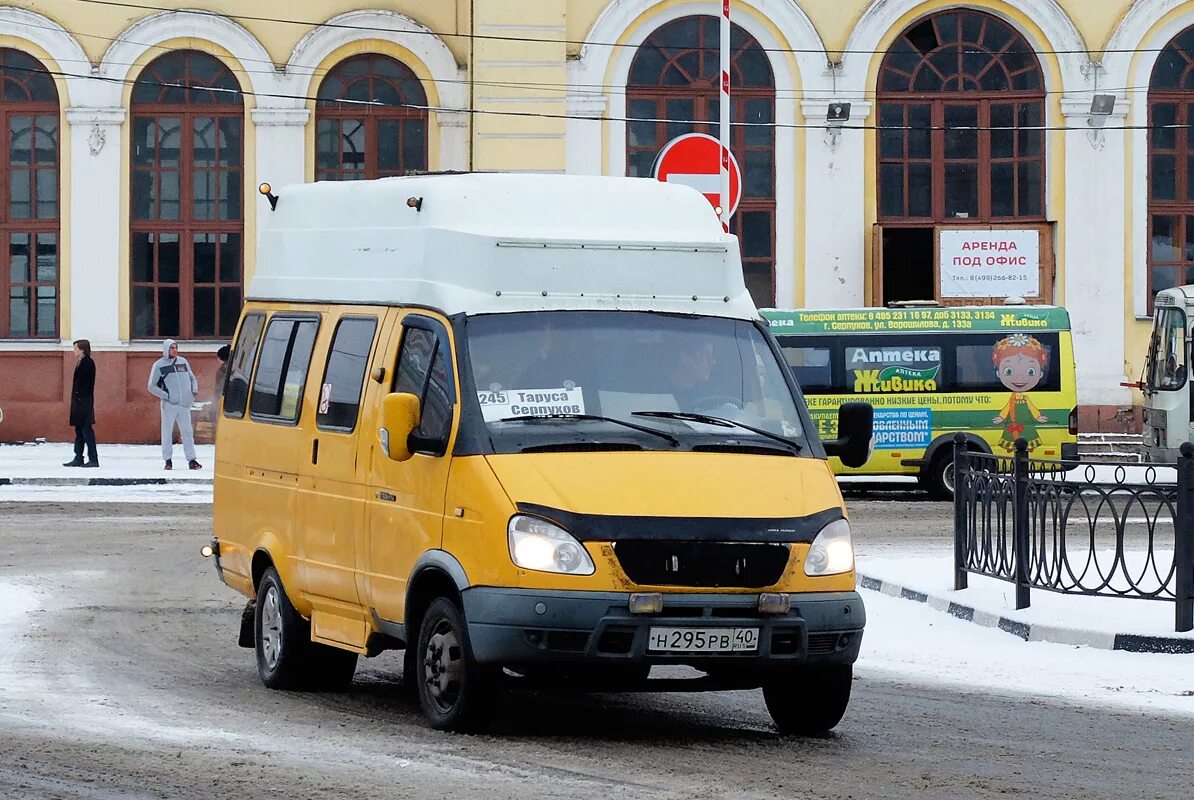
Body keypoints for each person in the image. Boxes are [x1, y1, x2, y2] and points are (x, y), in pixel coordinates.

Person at [148, 338, 201, 470]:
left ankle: (192, 459)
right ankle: (168, 460)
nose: (175, 350)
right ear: (166, 349)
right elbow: (151, 386)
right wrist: (167, 396)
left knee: (187, 432)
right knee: (167, 431)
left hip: (184, 404)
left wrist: (193, 391)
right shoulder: (159, 365)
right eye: (172, 348)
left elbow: (191, 377)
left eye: (176, 347)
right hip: (169, 405)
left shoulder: (183, 362)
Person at [64, 339, 99, 468]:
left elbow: (85, 384)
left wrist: (79, 399)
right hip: (80, 402)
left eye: (75, 348)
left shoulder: (87, 363)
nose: (74, 351)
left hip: (83, 402)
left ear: (82, 349)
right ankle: (78, 457)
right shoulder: (81, 362)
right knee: (79, 430)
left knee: (86, 430)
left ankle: (93, 459)